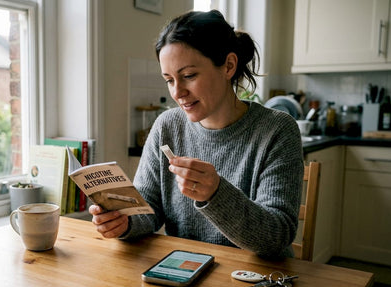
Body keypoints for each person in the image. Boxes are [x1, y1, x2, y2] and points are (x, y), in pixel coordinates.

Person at [89, 9, 303, 258]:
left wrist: (216, 193)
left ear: (229, 66)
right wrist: (125, 222)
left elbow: (276, 237)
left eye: (188, 76)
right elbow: (148, 208)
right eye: (169, 80)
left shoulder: (277, 130)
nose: (178, 92)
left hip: (256, 278)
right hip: (185, 270)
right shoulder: (166, 125)